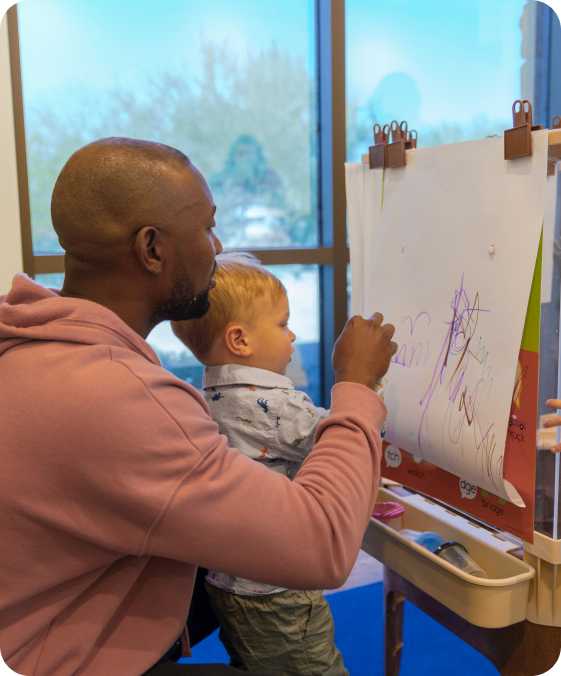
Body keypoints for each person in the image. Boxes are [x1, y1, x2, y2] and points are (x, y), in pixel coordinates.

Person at [0, 137, 397, 676]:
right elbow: (322, 541)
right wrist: (357, 386)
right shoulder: (119, 398)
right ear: (153, 249)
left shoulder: (31, 342)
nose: (218, 244)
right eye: (207, 227)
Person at [171, 253, 349, 675]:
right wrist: (365, 385)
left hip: (227, 582)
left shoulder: (205, 398)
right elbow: (346, 438)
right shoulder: (277, 407)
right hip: (277, 590)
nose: (292, 336)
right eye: (283, 324)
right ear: (240, 341)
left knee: (254, 662)